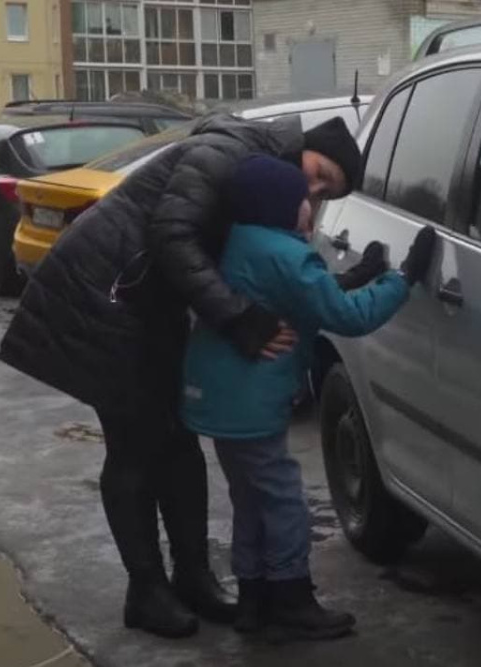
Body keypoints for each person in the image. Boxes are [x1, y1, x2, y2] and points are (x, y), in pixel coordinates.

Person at [0, 114, 394, 639]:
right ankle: (146, 589)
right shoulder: (227, 153)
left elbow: (265, 271)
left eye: (326, 191)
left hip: (148, 302)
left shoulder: (260, 178)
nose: (313, 190)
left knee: (178, 441)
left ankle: (192, 577)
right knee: (135, 442)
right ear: (304, 146)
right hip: (104, 291)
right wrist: (237, 318)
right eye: (318, 173)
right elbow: (173, 235)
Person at [181, 154, 435, 641]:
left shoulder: (244, 240)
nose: (312, 205)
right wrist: (401, 280)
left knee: (251, 499)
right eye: (305, 197)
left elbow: (299, 298)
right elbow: (346, 317)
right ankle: (292, 597)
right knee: (282, 501)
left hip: (221, 398)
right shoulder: (285, 253)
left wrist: (358, 275)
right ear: (280, 205)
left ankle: (255, 599)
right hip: (251, 401)